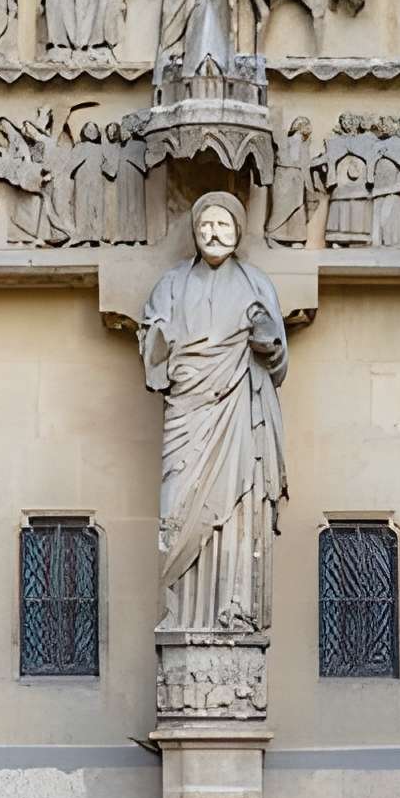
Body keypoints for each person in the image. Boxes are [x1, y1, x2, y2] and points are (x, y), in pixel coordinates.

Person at [138, 194, 289, 632]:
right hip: (187, 412)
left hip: (238, 407)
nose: (214, 233)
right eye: (205, 225)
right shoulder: (170, 285)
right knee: (178, 505)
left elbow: (278, 360)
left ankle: (234, 608)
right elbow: (151, 344)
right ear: (195, 230)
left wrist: (267, 345)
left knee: (239, 503)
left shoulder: (256, 284)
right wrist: (160, 346)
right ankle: (181, 613)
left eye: (223, 225)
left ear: (238, 231)